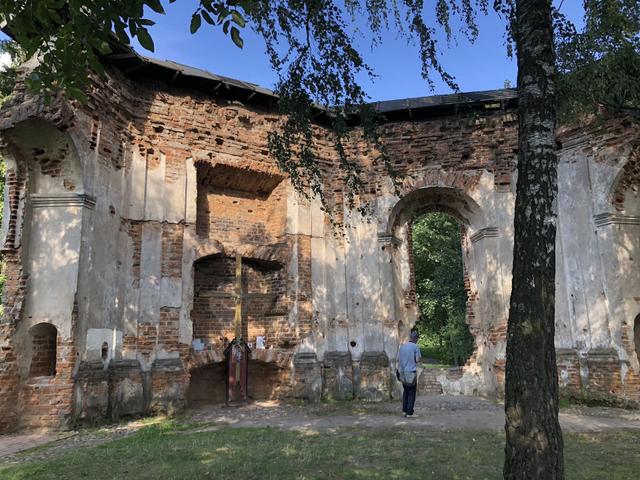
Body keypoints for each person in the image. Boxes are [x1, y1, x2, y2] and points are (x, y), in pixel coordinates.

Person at [397, 330, 422, 417]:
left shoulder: (402, 347)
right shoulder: (415, 347)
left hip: (402, 372)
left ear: (410, 338)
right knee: (412, 393)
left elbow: (398, 359)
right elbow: (417, 360)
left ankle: (404, 411)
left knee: (406, 392)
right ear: (416, 339)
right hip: (411, 372)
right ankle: (409, 413)